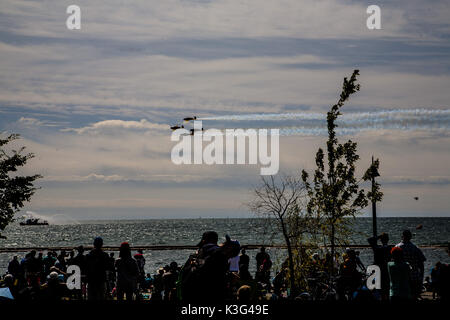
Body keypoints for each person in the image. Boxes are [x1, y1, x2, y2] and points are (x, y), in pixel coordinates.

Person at [395, 230, 426, 300]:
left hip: (401, 277)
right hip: (414, 277)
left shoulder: (397, 247)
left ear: (402, 236)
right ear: (410, 237)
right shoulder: (415, 248)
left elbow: (393, 263)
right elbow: (421, 264)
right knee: (414, 297)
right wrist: (421, 276)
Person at [368, 232, 392, 300]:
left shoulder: (377, 248)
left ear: (381, 240)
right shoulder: (389, 248)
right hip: (386, 271)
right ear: (388, 240)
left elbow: (370, 240)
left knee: (378, 290)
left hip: (377, 270)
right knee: (386, 290)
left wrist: (379, 236)